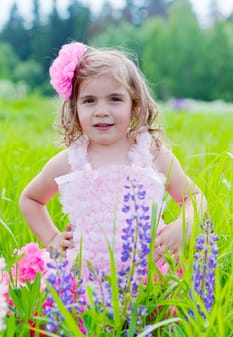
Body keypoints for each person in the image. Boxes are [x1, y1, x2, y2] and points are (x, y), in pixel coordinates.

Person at [19, 42, 207, 287]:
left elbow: (194, 197)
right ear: (74, 108)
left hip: (148, 277)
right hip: (86, 279)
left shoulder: (151, 154)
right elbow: (31, 199)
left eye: (115, 99)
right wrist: (52, 237)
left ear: (134, 104)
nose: (102, 111)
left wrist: (185, 224)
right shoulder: (69, 161)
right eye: (89, 101)